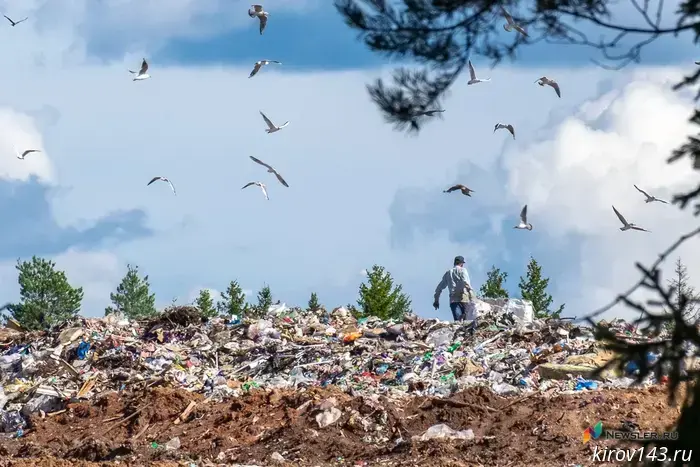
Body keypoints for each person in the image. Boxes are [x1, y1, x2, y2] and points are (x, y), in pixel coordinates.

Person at [433, 255, 477, 326]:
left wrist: (436, 300)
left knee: (458, 323)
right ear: (462, 263)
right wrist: (472, 295)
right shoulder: (463, 270)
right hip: (464, 299)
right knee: (468, 322)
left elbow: (439, 288)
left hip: (453, 300)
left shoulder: (448, 273)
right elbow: (466, 282)